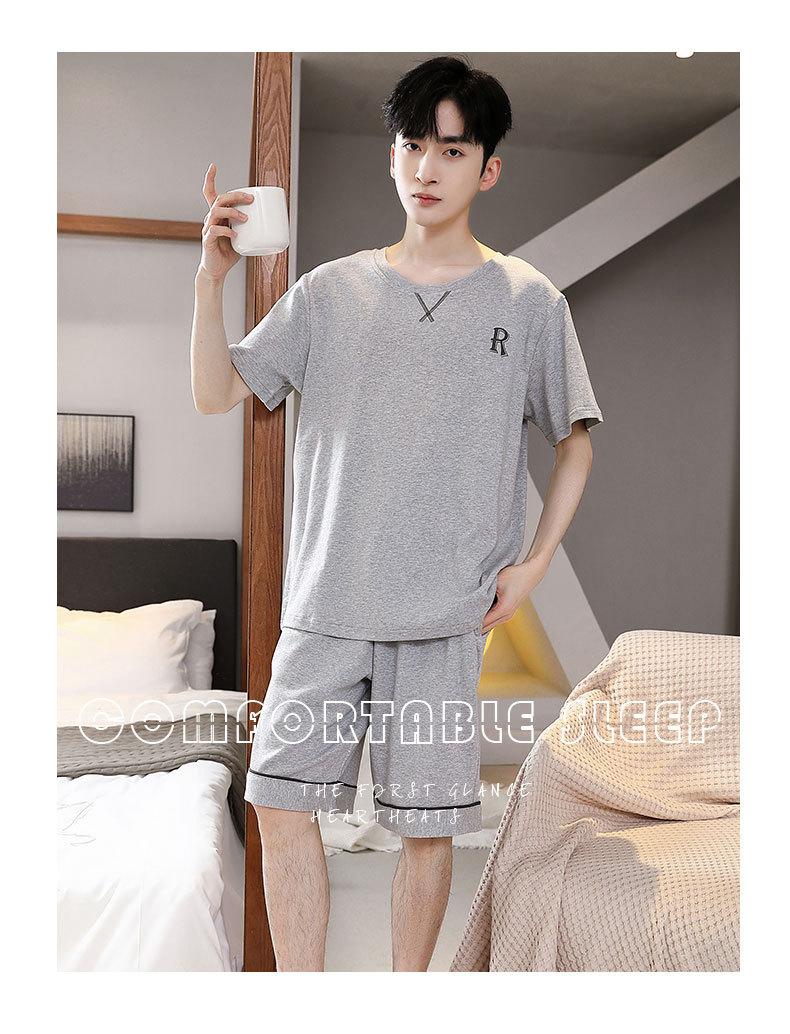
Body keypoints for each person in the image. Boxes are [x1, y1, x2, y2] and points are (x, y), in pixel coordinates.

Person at [190, 55, 603, 972]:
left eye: (452, 150)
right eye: (414, 145)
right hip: (325, 608)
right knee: (279, 806)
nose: (427, 168)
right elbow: (216, 393)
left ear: (487, 169)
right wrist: (210, 278)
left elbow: (575, 442)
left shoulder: (530, 302)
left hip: (444, 618)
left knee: (425, 832)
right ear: (392, 156)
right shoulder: (328, 293)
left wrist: (534, 564)